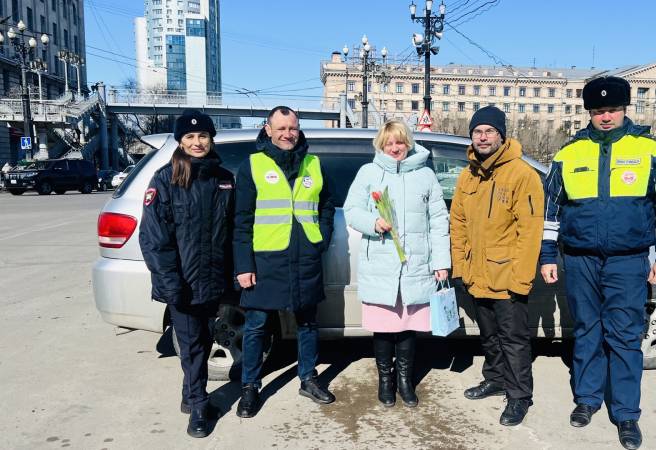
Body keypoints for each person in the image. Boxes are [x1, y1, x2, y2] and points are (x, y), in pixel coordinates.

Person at [539, 76, 656, 450]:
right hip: (580, 258)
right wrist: (547, 255)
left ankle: (625, 413)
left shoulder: (650, 149)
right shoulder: (568, 154)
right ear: (589, 111)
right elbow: (550, 210)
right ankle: (587, 399)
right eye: (599, 110)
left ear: (624, 110)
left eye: (613, 110)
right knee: (587, 329)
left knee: (623, 336)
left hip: (628, 260)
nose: (606, 117)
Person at [233, 106, 336, 418]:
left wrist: (321, 239)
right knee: (256, 326)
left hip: (305, 258)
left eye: (292, 128)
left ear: (298, 128)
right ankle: (250, 386)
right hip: (266, 259)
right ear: (268, 129)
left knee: (307, 323)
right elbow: (241, 220)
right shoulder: (252, 165)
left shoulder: (313, 163)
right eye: (281, 128)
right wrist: (243, 266)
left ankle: (308, 378)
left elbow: (326, 205)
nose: (287, 134)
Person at [139, 109, 235, 438]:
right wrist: (170, 284)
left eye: (203, 136)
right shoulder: (165, 179)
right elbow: (154, 239)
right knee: (192, 345)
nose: (197, 142)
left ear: (211, 139)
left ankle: (188, 393)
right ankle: (197, 407)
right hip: (181, 283)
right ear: (181, 141)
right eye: (190, 137)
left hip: (212, 281)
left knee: (205, 340)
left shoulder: (223, 178)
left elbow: (231, 231)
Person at [343, 119, 450, 408]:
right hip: (381, 261)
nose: (395, 148)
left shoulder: (425, 175)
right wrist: (372, 222)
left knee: (407, 326)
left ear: (408, 143)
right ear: (381, 145)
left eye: (400, 142)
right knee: (384, 326)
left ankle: (405, 379)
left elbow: (438, 219)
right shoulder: (369, 173)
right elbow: (351, 210)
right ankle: (385, 380)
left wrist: (441, 261)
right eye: (389, 143)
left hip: (415, 263)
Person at [450, 106, 544, 426]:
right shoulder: (468, 175)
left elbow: (530, 230)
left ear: (501, 135)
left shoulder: (521, 174)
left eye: (490, 131)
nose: (483, 137)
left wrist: (521, 278)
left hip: (507, 276)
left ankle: (519, 395)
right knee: (489, 335)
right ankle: (495, 378)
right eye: (478, 132)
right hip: (478, 272)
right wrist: (460, 267)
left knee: (513, 339)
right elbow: (458, 223)